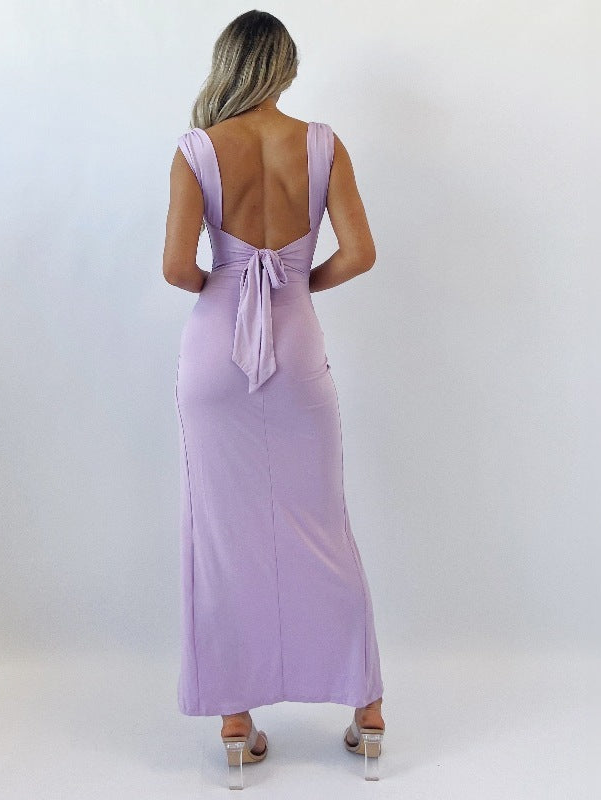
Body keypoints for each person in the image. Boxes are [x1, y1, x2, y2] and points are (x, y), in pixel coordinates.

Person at [163, 10, 386, 785]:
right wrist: (292, 283)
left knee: (223, 532)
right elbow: (360, 253)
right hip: (295, 341)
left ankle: (235, 720)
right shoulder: (323, 145)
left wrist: (232, 282)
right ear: (284, 68)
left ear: (230, 63)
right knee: (322, 523)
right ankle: (367, 710)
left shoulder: (197, 150)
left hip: (215, 351)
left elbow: (176, 269)